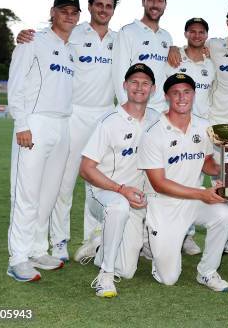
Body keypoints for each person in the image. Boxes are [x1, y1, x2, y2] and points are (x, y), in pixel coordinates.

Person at [15, 0, 120, 262]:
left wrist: (172, 48)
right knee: (62, 183)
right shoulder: (74, 32)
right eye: (99, 5)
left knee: (101, 181)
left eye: (109, 6)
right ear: (90, 7)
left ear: (113, 10)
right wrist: (25, 36)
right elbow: (44, 40)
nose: (104, 10)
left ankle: (94, 239)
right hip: (73, 114)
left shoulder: (120, 40)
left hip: (106, 114)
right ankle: (57, 242)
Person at [7, 0, 80, 282]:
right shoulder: (33, 40)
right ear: (53, 12)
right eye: (64, 11)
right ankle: (18, 258)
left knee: (48, 195)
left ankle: (38, 249)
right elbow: (16, 82)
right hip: (35, 124)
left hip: (62, 125)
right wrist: (22, 123)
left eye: (74, 12)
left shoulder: (70, 48)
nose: (69, 16)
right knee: (26, 194)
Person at [138, 73, 228, 292]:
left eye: (187, 92)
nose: (182, 98)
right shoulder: (153, 132)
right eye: (176, 93)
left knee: (224, 214)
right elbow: (158, 183)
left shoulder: (203, 126)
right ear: (166, 97)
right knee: (169, 278)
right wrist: (202, 194)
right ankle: (150, 241)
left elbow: (206, 162)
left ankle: (207, 272)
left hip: (193, 200)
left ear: (194, 95)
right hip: (163, 204)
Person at [79, 63, 159, 297]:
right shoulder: (109, 121)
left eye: (145, 83)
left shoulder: (156, 119)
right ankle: (104, 276)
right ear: (124, 86)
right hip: (103, 192)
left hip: (135, 197)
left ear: (152, 89)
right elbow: (85, 168)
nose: (139, 87)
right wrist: (120, 189)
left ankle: (100, 246)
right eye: (134, 82)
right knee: (118, 205)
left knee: (125, 270)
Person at [163, 17, 216, 255]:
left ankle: (188, 236)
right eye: (192, 31)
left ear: (206, 35)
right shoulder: (174, 58)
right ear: (185, 33)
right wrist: (172, 48)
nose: (196, 35)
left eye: (201, 32)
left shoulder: (210, 63)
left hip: (200, 127)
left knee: (197, 179)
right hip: (175, 125)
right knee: (173, 175)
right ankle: (160, 230)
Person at [112, 0, 173, 113]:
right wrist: (128, 109)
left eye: (160, 0)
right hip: (135, 109)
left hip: (161, 111)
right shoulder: (127, 32)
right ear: (143, 2)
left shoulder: (167, 37)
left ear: (165, 5)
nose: (155, 5)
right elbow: (119, 75)